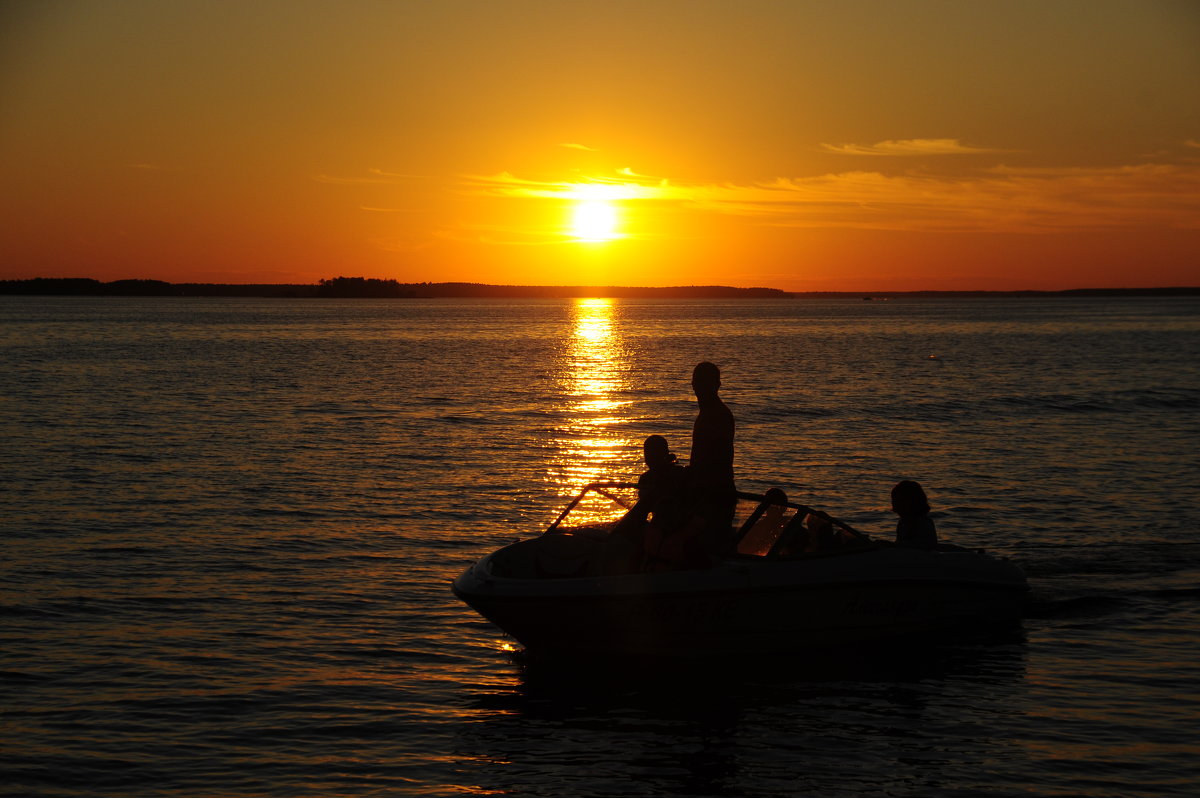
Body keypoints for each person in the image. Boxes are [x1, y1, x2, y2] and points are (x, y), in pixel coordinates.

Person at [685, 361, 738, 557]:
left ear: (717, 385)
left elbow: (717, 458)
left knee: (709, 551)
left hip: (715, 495)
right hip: (706, 493)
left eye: (705, 382)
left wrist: (695, 476)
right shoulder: (707, 412)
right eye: (697, 382)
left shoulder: (718, 414)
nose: (699, 387)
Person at [891, 480, 938, 549]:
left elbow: (924, 546)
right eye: (893, 500)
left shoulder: (924, 522)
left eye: (899, 501)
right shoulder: (903, 522)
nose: (894, 504)